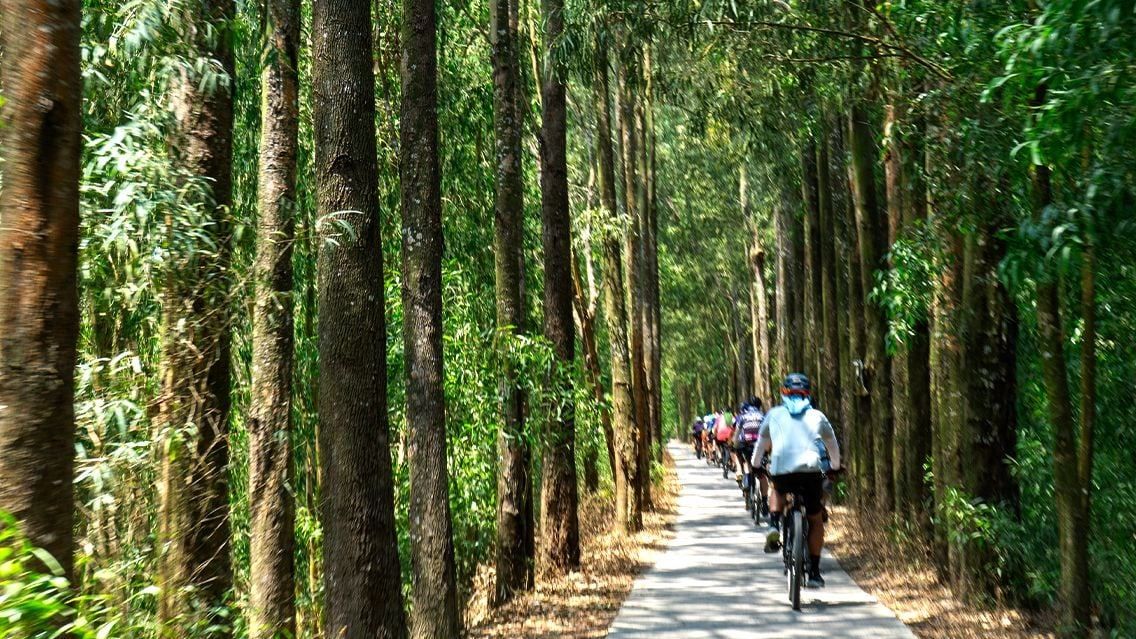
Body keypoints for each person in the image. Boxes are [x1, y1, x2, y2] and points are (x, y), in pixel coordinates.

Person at [751, 373, 841, 588]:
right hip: (810, 470)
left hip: (782, 469)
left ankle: (774, 524)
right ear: (808, 394)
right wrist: (835, 467)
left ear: (784, 392)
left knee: (778, 489)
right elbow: (832, 445)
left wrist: (756, 465)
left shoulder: (773, 414)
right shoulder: (817, 416)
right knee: (815, 519)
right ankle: (815, 573)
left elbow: (761, 445)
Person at [732, 396, 764, 495]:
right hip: (759, 444)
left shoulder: (743, 416)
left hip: (746, 444)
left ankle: (746, 480)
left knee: (747, 462)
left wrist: (735, 444)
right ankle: (764, 500)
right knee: (761, 472)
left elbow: (737, 432)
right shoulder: (763, 416)